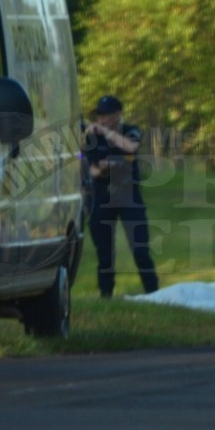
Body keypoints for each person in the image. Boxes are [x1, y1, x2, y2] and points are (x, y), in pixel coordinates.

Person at [83, 95, 159, 298]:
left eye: (107, 115)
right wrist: (105, 169)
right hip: (102, 196)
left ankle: (153, 292)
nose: (103, 119)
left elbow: (131, 147)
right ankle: (106, 293)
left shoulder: (130, 131)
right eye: (100, 115)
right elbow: (91, 170)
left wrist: (107, 133)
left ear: (118, 114)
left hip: (128, 196)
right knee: (104, 252)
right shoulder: (93, 138)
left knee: (140, 248)